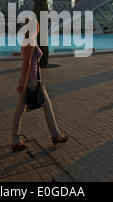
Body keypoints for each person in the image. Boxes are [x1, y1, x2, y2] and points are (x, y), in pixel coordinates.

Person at [11, 18, 68, 152]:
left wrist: (23, 81)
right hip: (32, 81)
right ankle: (55, 135)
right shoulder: (30, 40)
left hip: (29, 80)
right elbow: (28, 63)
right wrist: (24, 83)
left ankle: (15, 140)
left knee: (20, 110)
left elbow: (27, 62)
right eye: (38, 26)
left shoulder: (26, 39)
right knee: (47, 106)